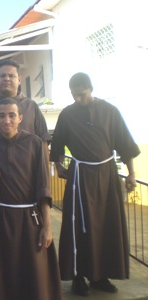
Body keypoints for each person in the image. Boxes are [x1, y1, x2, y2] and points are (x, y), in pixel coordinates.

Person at [50, 72, 140, 296]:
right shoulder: (68, 114)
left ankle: (101, 276)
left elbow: (124, 145)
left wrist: (131, 174)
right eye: (74, 96)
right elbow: (57, 146)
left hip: (107, 176)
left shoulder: (110, 112)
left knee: (107, 226)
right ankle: (78, 276)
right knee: (78, 228)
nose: (78, 99)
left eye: (82, 95)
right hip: (79, 178)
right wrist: (58, 167)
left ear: (91, 89)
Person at [0, 98, 63, 300]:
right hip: (1, 218)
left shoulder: (35, 144)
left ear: (20, 118)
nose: (7, 120)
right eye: (2, 116)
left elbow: (43, 187)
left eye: (12, 115)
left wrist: (47, 226)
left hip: (30, 218)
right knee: (5, 270)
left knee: (34, 272)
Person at [0, 59, 51, 143]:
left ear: (19, 80)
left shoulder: (31, 106)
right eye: (3, 76)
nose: (7, 79)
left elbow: (44, 138)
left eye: (11, 76)